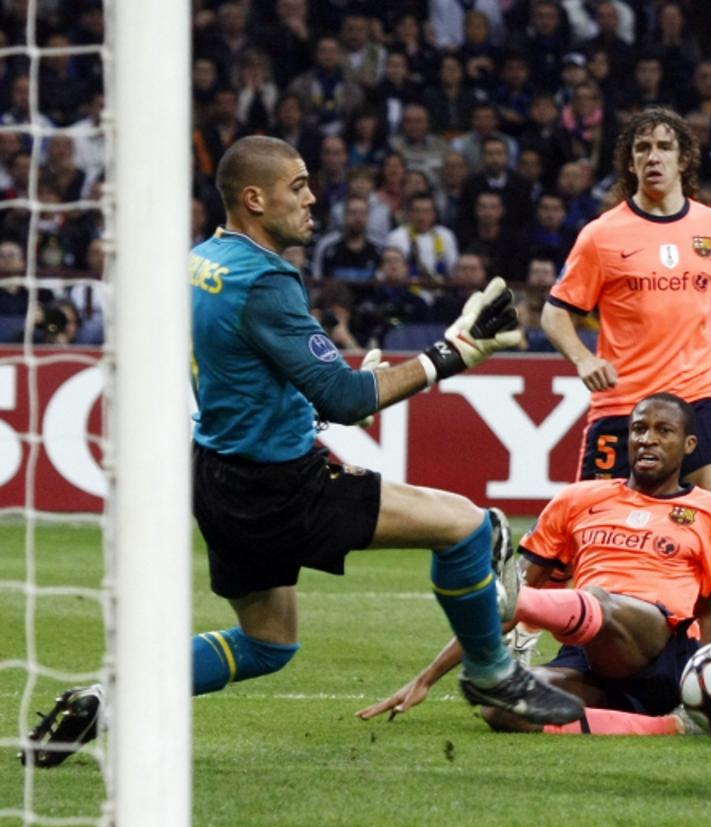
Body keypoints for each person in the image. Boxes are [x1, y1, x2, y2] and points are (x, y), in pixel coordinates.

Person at [21, 136, 582, 769]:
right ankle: (491, 674)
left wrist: (305, 402)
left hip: (218, 474)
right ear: (255, 199)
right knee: (468, 528)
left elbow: (241, 373)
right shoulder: (266, 280)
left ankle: (108, 699)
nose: (313, 198)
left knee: (267, 645)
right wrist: (453, 353)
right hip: (282, 485)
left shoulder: (202, 261)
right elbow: (344, 397)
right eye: (298, 186)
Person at [357, 394, 711, 735]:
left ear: (689, 444)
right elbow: (508, 601)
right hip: (588, 655)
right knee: (503, 706)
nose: (647, 439)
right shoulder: (578, 500)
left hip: (660, 651)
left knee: (595, 599)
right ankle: (668, 726)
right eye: (638, 428)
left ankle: (513, 591)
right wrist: (426, 678)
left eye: (663, 430)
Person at [542, 107, 711, 504]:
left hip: (697, 397)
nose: (653, 156)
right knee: (591, 537)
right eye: (642, 148)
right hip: (624, 403)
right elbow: (554, 313)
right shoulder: (600, 236)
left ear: (683, 158)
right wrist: (583, 359)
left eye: (664, 147)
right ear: (632, 162)